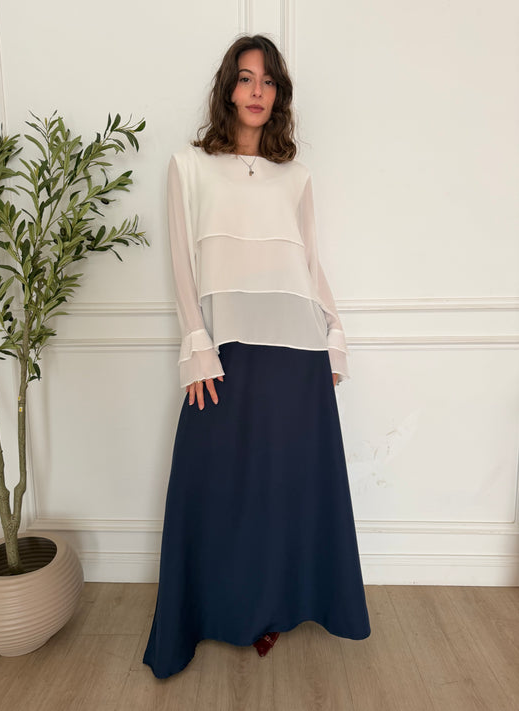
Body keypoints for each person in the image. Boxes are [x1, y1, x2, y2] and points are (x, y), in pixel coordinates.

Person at [143, 33, 371, 680]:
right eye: (246, 78)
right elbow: (182, 263)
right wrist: (197, 345)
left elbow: (308, 263)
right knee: (216, 486)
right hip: (226, 350)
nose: (257, 91)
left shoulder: (295, 177)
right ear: (227, 88)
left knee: (285, 487)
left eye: (268, 81)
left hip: (296, 353)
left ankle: (274, 609)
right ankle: (209, 613)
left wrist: (334, 333)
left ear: (279, 96)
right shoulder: (188, 166)